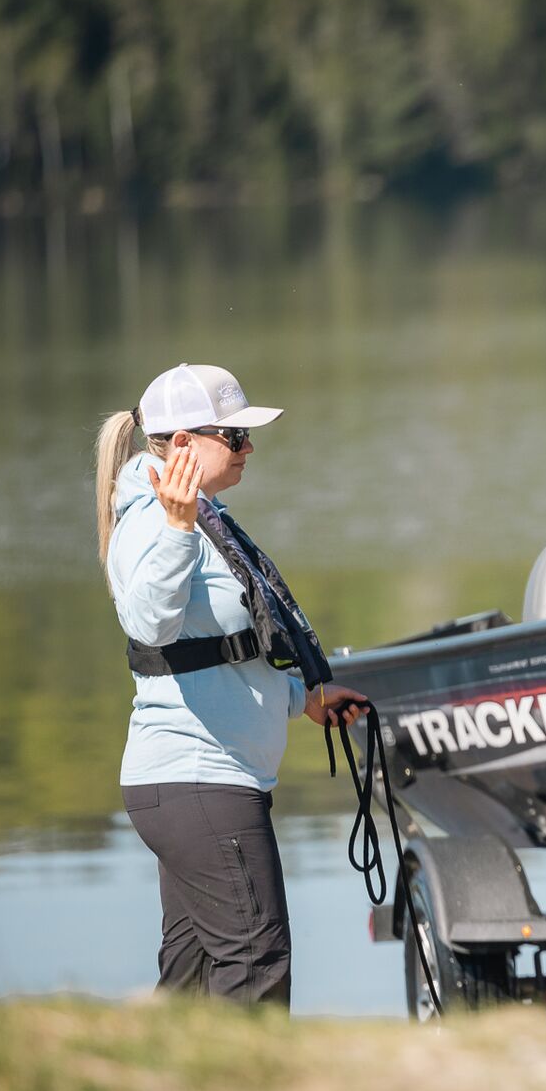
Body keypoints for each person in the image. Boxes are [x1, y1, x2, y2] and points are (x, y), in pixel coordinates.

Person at [94, 363, 367, 1008]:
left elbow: (226, 649)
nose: (249, 448)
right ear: (182, 444)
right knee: (256, 961)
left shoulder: (206, 518)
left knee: (190, 978)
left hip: (202, 784)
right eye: (235, 436)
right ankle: (252, 1076)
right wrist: (176, 527)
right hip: (199, 780)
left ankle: (159, 1074)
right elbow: (150, 624)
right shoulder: (155, 521)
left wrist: (304, 700)